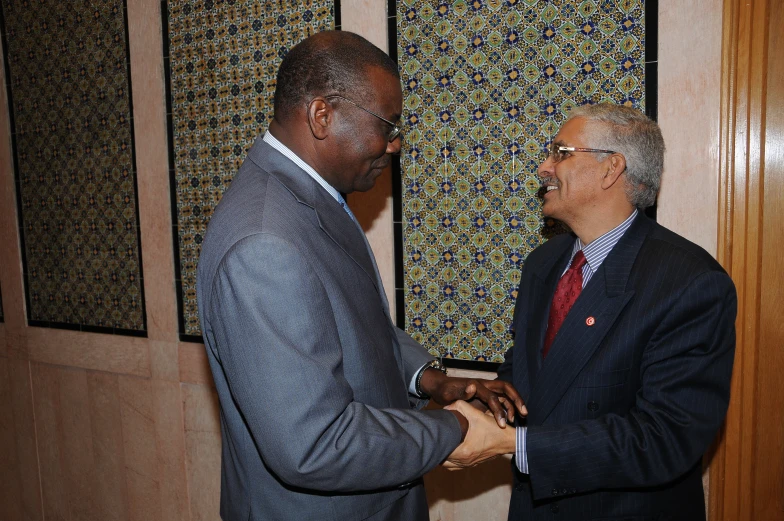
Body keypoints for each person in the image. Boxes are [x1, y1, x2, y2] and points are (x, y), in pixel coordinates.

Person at [196, 30, 525, 521]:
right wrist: (454, 429)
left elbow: (350, 322)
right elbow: (314, 444)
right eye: (387, 125)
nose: (394, 144)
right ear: (322, 115)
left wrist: (430, 380)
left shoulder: (310, 199)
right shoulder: (264, 243)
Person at [444, 103, 737, 521]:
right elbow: (529, 379)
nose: (544, 167)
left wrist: (514, 445)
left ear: (610, 169)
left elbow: (665, 438)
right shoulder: (542, 264)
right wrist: (469, 412)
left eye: (560, 152)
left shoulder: (689, 282)